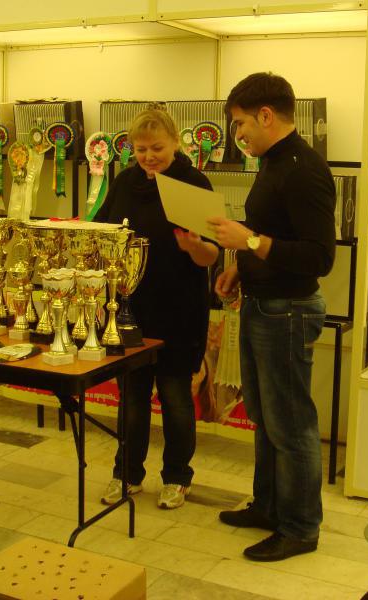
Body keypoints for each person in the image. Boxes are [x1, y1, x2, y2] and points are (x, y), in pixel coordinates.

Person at [208, 72, 336, 561]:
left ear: (266, 115)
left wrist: (248, 241)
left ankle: (300, 528)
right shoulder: (273, 163)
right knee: (265, 418)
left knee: (292, 425)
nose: (238, 134)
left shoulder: (304, 169)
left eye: (241, 123)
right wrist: (240, 266)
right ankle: (269, 507)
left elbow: (319, 257)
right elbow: (269, 234)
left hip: (288, 312)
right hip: (264, 305)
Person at [95, 106, 219, 509]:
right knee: (131, 399)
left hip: (180, 311)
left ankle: (177, 477)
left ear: (176, 144)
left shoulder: (193, 183)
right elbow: (104, 234)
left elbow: (211, 256)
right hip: (131, 310)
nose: (149, 157)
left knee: (175, 397)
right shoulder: (125, 182)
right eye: (141, 149)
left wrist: (194, 246)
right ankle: (127, 473)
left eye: (157, 149)